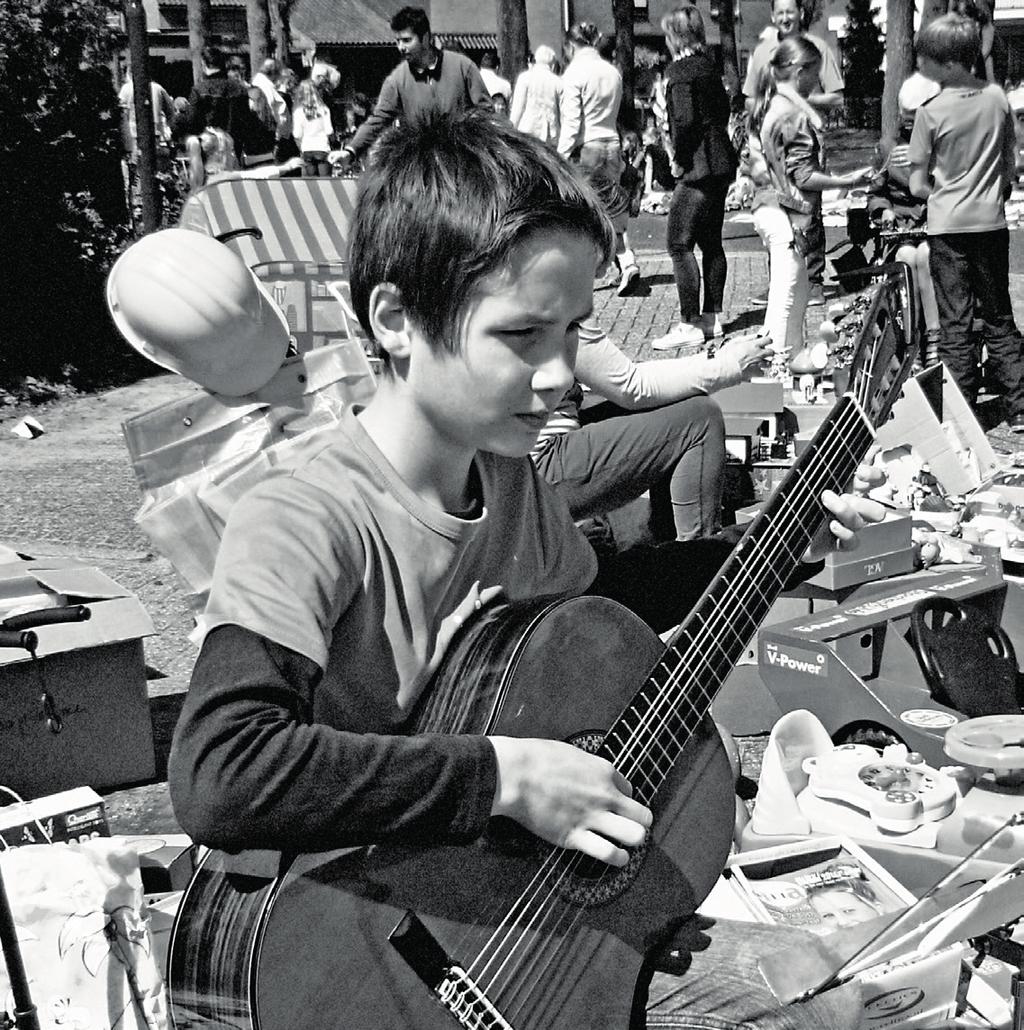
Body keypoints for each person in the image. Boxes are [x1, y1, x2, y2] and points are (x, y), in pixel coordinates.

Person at [168, 109, 881, 1030]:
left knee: (841, 995)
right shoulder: (306, 517)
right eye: (521, 336)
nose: (560, 379)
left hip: (519, 936)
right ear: (395, 320)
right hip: (360, 965)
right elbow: (221, 772)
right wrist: (501, 780)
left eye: (575, 334)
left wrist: (784, 545)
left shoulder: (509, 480)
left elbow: (590, 614)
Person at [533, 322, 770, 542]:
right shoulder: (557, 295)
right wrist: (729, 364)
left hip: (523, 462)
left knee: (674, 404)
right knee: (700, 419)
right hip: (538, 468)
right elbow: (632, 386)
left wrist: (718, 358)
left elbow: (624, 379)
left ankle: (666, 547)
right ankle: (701, 561)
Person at [908, 13, 1024, 432]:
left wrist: (936, 183)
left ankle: (959, 412)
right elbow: (1010, 164)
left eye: (927, 61)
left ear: (949, 63)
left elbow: (920, 184)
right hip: (990, 224)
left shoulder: (930, 113)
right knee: (999, 317)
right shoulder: (997, 99)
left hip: (947, 228)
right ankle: (1020, 406)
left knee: (954, 324)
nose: (921, 67)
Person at [747, 36, 871, 368]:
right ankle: (773, 362)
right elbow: (803, 176)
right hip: (785, 211)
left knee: (796, 287)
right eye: (815, 73)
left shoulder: (771, 105)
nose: (818, 82)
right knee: (786, 294)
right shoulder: (792, 114)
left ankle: (791, 355)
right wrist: (849, 180)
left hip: (770, 206)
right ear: (801, 71)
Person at [742, 0, 844, 307]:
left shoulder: (817, 49)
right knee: (776, 210)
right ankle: (779, 281)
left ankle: (813, 280)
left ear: (801, 14)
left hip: (805, 139)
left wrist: (802, 96)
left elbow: (837, 97)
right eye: (780, 12)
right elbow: (750, 98)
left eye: (791, 11)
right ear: (773, 15)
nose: (786, 17)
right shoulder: (763, 52)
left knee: (808, 208)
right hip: (773, 142)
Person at [650, 7, 739, 353]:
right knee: (712, 242)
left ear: (675, 37)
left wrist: (679, 161)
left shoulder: (679, 73)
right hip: (721, 162)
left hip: (697, 168)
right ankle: (712, 316)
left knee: (679, 243)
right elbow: (723, 112)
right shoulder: (709, 67)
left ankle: (689, 323)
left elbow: (684, 122)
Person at [330, 6, 492, 169]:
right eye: (398, 41)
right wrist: (351, 150)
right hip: (420, 166)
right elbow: (378, 119)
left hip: (463, 162)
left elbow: (485, 110)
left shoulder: (463, 66)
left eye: (407, 40)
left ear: (426, 37)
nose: (400, 47)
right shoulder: (397, 80)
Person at [866, 71, 942, 366]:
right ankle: (912, 341)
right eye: (903, 114)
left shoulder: (942, 144)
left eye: (912, 115)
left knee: (925, 255)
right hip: (900, 230)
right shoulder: (888, 146)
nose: (905, 120)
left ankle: (933, 338)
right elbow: (875, 191)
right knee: (908, 257)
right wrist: (882, 209)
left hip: (933, 225)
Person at [559, 22, 640, 297]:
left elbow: (572, 122)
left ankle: (606, 267)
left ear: (570, 46)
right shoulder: (612, 72)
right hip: (611, 142)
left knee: (588, 213)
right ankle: (625, 263)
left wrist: (559, 156)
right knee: (612, 209)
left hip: (588, 146)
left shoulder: (573, 74)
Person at [179, 46, 260, 169]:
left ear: (203, 63)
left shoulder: (199, 89)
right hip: (233, 146)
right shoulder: (239, 89)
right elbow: (246, 121)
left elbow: (192, 121)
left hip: (208, 146)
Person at [509, 44, 563, 146]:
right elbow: (562, 113)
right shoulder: (558, 82)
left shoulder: (524, 78)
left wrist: (511, 130)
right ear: (552, 63)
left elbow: (518, 108)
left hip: (527, 130)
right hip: (550, 134)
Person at [293, 78, 334, 177]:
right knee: (326, 184)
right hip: (322, 147)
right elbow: (329, 131)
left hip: (307, 148)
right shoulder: (324, 109)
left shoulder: (298, 112)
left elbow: (297, 134)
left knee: (311, 186)